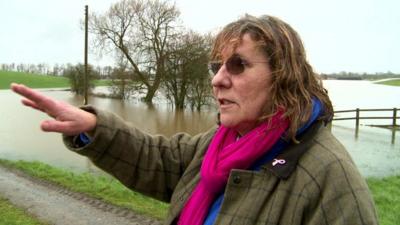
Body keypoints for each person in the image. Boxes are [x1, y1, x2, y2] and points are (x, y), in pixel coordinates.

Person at [11, 14, 378, 225]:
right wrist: (93, 127)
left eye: (238, 65)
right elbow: (156, 158)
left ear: (282, 75)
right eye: (216, 67)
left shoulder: (328, 177)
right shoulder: (219, 144)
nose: (218, 79)